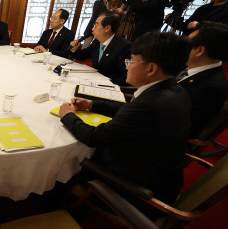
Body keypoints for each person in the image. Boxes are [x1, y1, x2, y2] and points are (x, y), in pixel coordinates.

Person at [59, 31, 192, 210]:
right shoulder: (174, 89)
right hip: (161, 176)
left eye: (131, 61)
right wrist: (91, 105)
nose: (126, 66)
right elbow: (128, 111)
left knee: (64, 169)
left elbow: (93, 137)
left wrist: (68, 115)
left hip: (136, 190)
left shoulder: (149, 104)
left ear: (151, 68)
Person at [178, 21, 228, 137]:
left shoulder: (211, 88)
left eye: (187, 44)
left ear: (200, 50)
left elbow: (182, 127)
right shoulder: (193, 67)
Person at [70, 12, 131, 86]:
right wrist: (74, 49)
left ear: (107, 28)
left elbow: (125, 77)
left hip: (109, 88)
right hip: (93, 82)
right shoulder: (97, 42)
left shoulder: (124, 47)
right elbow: (83, 55)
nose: (93, 28)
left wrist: (103, 84)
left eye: (96, 25)